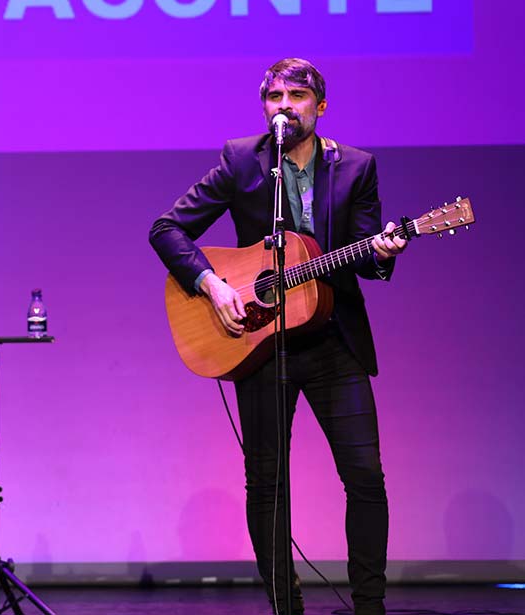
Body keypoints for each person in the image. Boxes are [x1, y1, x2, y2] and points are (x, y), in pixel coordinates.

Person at [149, 58, 407, 615]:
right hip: (262, 342)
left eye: (297, 95)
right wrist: (213, 285)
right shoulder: (243, 161)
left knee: (365, 477)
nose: (284, 105)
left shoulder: (356, 167)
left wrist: (384, 252)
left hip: (335, 340)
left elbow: (367, 256)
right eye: (274, 97)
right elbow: (166, 228)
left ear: (321, 104)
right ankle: (284, 606)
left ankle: (370, 605)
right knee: (266, 481)